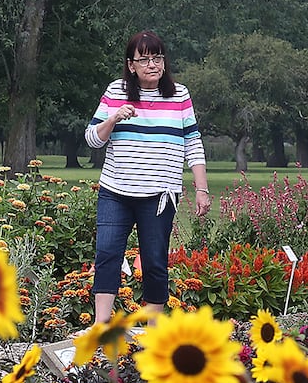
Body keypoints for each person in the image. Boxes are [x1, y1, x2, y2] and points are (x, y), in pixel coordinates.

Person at [84, 30, 212, 324]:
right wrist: (113, 117)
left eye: (157, 58)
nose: (152, 65)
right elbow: (92, 139)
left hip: (160, 194)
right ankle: (101, 325)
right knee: (107, 254)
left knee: (154, 260)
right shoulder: (116, 91)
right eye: (144, 60)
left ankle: (152, 327)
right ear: (131, 65)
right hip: (115, 190)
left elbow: (193, 142)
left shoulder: (179, 94)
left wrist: (201, 189)